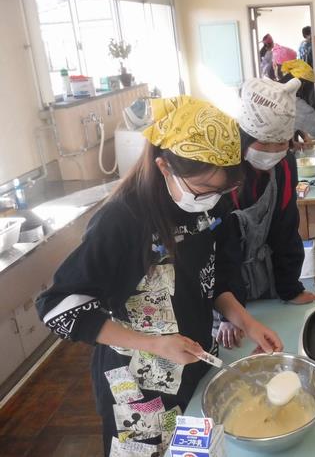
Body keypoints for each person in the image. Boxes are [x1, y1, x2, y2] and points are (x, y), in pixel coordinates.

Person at [35, 96, 283, 456]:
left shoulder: (211, 202)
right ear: (164, 166)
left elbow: (213, 280)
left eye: (222, 191)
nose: (214, 200)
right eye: (204, 190)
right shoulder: (122, 220)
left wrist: (244, 320)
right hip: (138, 390)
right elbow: (57, 307)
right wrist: (155, 343)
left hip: (193, 366)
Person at [215, 77, 315, 349]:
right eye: (265, 144)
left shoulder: (284, 164)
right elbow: (216, 250)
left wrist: (290, 288)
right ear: (245, 135)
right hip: (223, 286)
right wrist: (228, 313)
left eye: (280, 143)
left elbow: (286, 227)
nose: (273, 153)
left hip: (266, 277)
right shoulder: (220, 170)